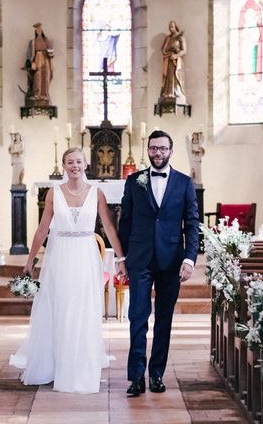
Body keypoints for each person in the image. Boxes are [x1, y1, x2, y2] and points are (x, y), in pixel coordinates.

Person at [10, 147, 125, 394]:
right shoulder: (54, 193)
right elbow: (42, 230)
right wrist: (30, 261)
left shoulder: (97, 193)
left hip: (85, 256)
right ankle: (56, 363)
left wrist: (120, 258)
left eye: (79, 162)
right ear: (64, 166)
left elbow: (109, 227)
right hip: (59, 255)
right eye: (70, 162)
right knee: (59, 307)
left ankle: (79, 364)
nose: (75, 166)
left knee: (83, 309)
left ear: (86, 165)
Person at [117, 130, 199, 397]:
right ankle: (136, 377)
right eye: (153, 148)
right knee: (137, 317)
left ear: (171, 151)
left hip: (172, 261)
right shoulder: (134, 181)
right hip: (140, 259)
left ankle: (156, 374)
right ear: (148, 150)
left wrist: (189, 257)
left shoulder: (185, 183)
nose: (157, 153)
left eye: (162, 149)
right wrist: (121, 257)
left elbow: (192, 223)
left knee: (164, 319)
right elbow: (125, 221)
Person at [159, 20, 187, 104]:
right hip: (168, 60)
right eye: (169, 27)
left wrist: (176, 55)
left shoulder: (180, 37)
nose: (170, 28)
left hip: (176, 61)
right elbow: (163, 49)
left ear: (175, 26)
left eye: (172, 26)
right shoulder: (168, 38)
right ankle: (168, 93)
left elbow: (184, 50)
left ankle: (176, 92)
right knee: (168, 77)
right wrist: (167, 53)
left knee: (175, 76)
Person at [26, 23, 54, 101]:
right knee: (37, 76)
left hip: (45, 59)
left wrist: (51, 61)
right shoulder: (33, 41)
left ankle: (45, 94)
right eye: (37, 30)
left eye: (40, 30)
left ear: (42, 31)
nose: (39, 31)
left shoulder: (46, 40)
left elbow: (50, 49)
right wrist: (30, 62)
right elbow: (29, 53)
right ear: (35, 31)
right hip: (37, 59)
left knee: (46, 75)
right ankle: (37, 94)